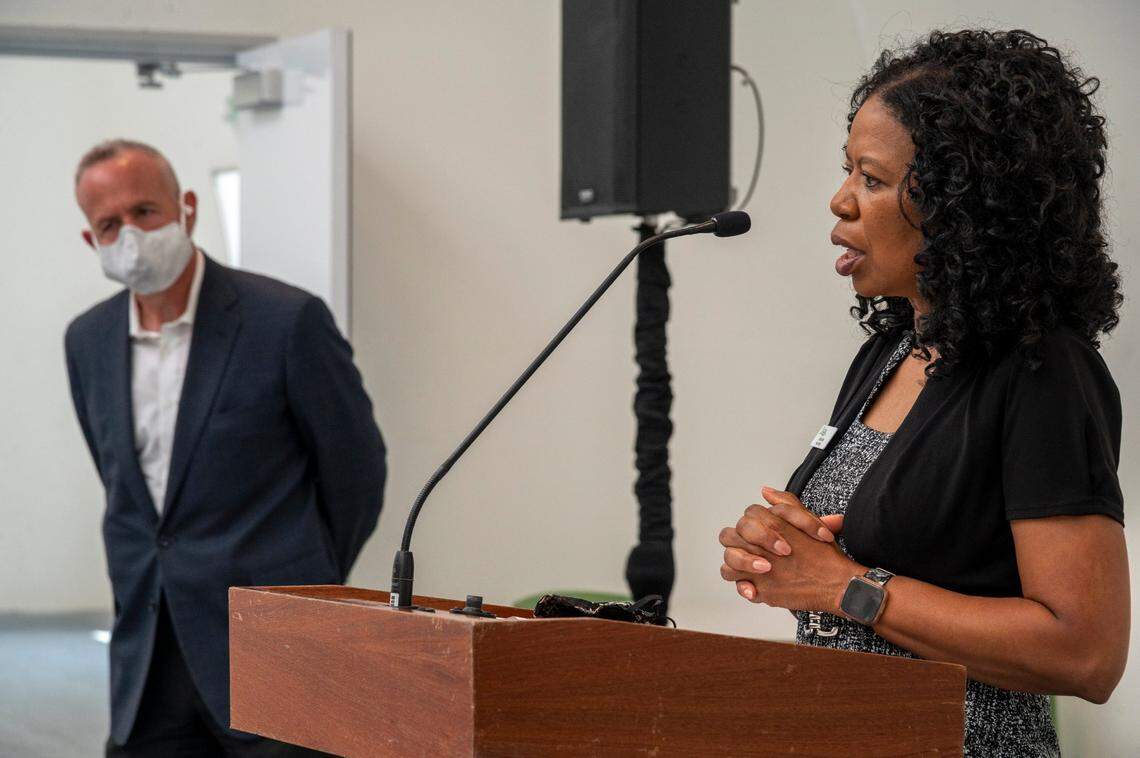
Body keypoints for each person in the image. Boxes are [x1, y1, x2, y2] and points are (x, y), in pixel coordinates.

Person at [717, 30, 1128, 756]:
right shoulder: (889, 354)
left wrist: (844, 588)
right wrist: (779, 549)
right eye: (848, 171)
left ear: (963, 206)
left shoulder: (1042, 374)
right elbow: (849, 557)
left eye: (872, 180)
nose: (840, 200)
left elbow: (1085, 654)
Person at [65, 139, 387, 756]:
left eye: (145, 212)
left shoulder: (286, 321)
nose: (129, 233)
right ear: (91, 240)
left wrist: (304, 588)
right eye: (109, 224)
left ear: (186, 208)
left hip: (274, 647)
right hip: (149, 654)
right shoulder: (87, 341)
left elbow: (357, 473)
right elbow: (126, 490)